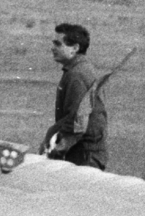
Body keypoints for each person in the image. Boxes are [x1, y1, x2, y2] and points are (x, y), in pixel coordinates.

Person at [42, 22, 108, 170]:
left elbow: (77, 122)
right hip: (86, 153)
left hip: (84, 156)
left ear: (75, 48)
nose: (53, 48)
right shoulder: (81, 69)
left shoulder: (77, 75)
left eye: (58, 44)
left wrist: (57, 148)